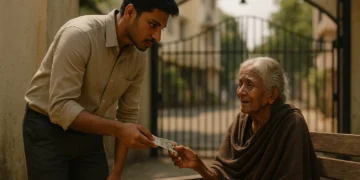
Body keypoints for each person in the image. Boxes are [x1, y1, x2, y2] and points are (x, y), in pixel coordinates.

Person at [22, 0, 179, 180]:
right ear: (130, 12)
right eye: (153, 25)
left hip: (91, 131)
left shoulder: (138, 57)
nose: (157, 37)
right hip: (47, 128)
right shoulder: (79, 34)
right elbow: (61, 108)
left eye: (162, 29)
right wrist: (119, 129)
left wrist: (117, 172)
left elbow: (127, 115)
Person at [169, 57, 319, 180]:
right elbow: (222, 174)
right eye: (240, 84)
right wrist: (198, 164)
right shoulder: (242, 121)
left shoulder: (291, 123)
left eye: (250, 85)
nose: (240, 92)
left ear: (272, 95)